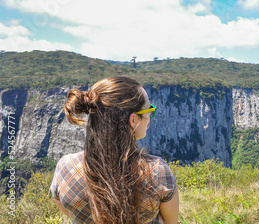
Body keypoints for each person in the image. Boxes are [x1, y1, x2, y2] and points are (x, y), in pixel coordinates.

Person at [50, 76, 178, 224]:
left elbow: (69, 213)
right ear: (134, 120)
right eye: (150, 110)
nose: (150, 115)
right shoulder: (157, 172)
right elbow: (171, 221)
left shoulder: (65, 167)